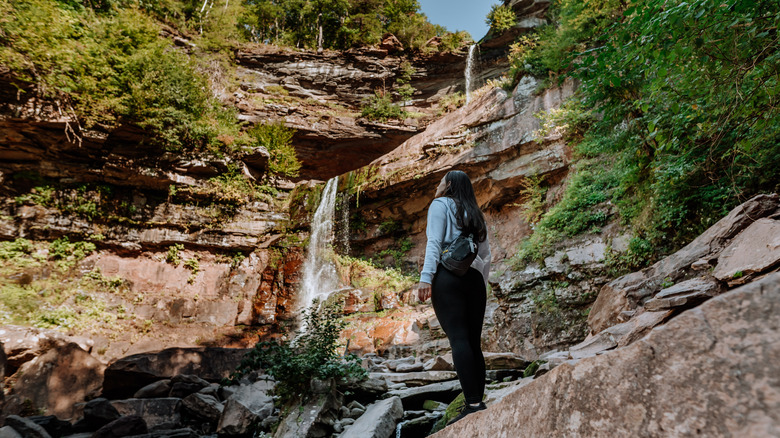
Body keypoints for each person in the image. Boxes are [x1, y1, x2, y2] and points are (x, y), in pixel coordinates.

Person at [417, 170, 491, 426]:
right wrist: (480, 285)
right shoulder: (475, 213)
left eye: (440, 181)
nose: (437, 185)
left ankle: (471, 404)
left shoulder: (440, 205)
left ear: (448, 185)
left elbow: (434, 242)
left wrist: (426, 278)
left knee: (458, 339)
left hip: (448, 278)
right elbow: (486, 254)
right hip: (474, 280)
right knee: (473, 342)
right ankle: (477, 402)